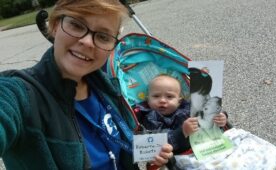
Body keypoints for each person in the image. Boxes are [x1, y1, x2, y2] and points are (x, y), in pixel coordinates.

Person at [0, 0, 173, 169]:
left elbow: (116, 142)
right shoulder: (20, 95)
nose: (87, 42)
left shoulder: (107, 88)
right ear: (54, 26)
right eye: (76, 25)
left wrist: (150, 150)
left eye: (103, 36)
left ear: (112, 47)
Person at [137, 74, 229, 154]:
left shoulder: (188, 107)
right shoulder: (151, 117)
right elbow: (157, 142)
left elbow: (207, 115)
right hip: (180, 154)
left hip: (208, 145)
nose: (162, 100)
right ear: (148, 100)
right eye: (156, 96)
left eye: (169, 96)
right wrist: (182, 132)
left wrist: (220, 118)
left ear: (179, 100)